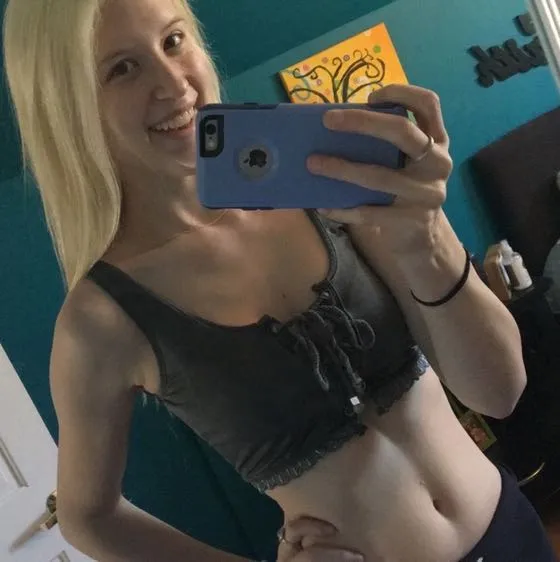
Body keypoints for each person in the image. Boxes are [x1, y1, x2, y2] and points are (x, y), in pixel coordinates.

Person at [2, 0, 556, 561]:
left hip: (511, 530)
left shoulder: (323, 177)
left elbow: (500, 392)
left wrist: (428, 237)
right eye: (122, 68)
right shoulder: (101, 318)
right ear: (68, 107)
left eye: (173, 41)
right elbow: (87, 517)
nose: (173, 84)